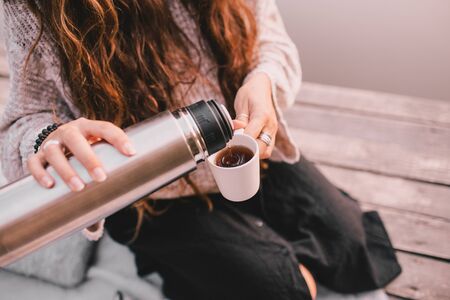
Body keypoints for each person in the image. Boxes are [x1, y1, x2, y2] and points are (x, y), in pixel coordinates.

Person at [0, 0, 401, 299]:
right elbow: (23, 118)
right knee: (285, 290)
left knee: (351, 249)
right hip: (152, 192)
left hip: (239, 146)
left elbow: (268, 33)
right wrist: (47, 140)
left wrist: (263, 82)